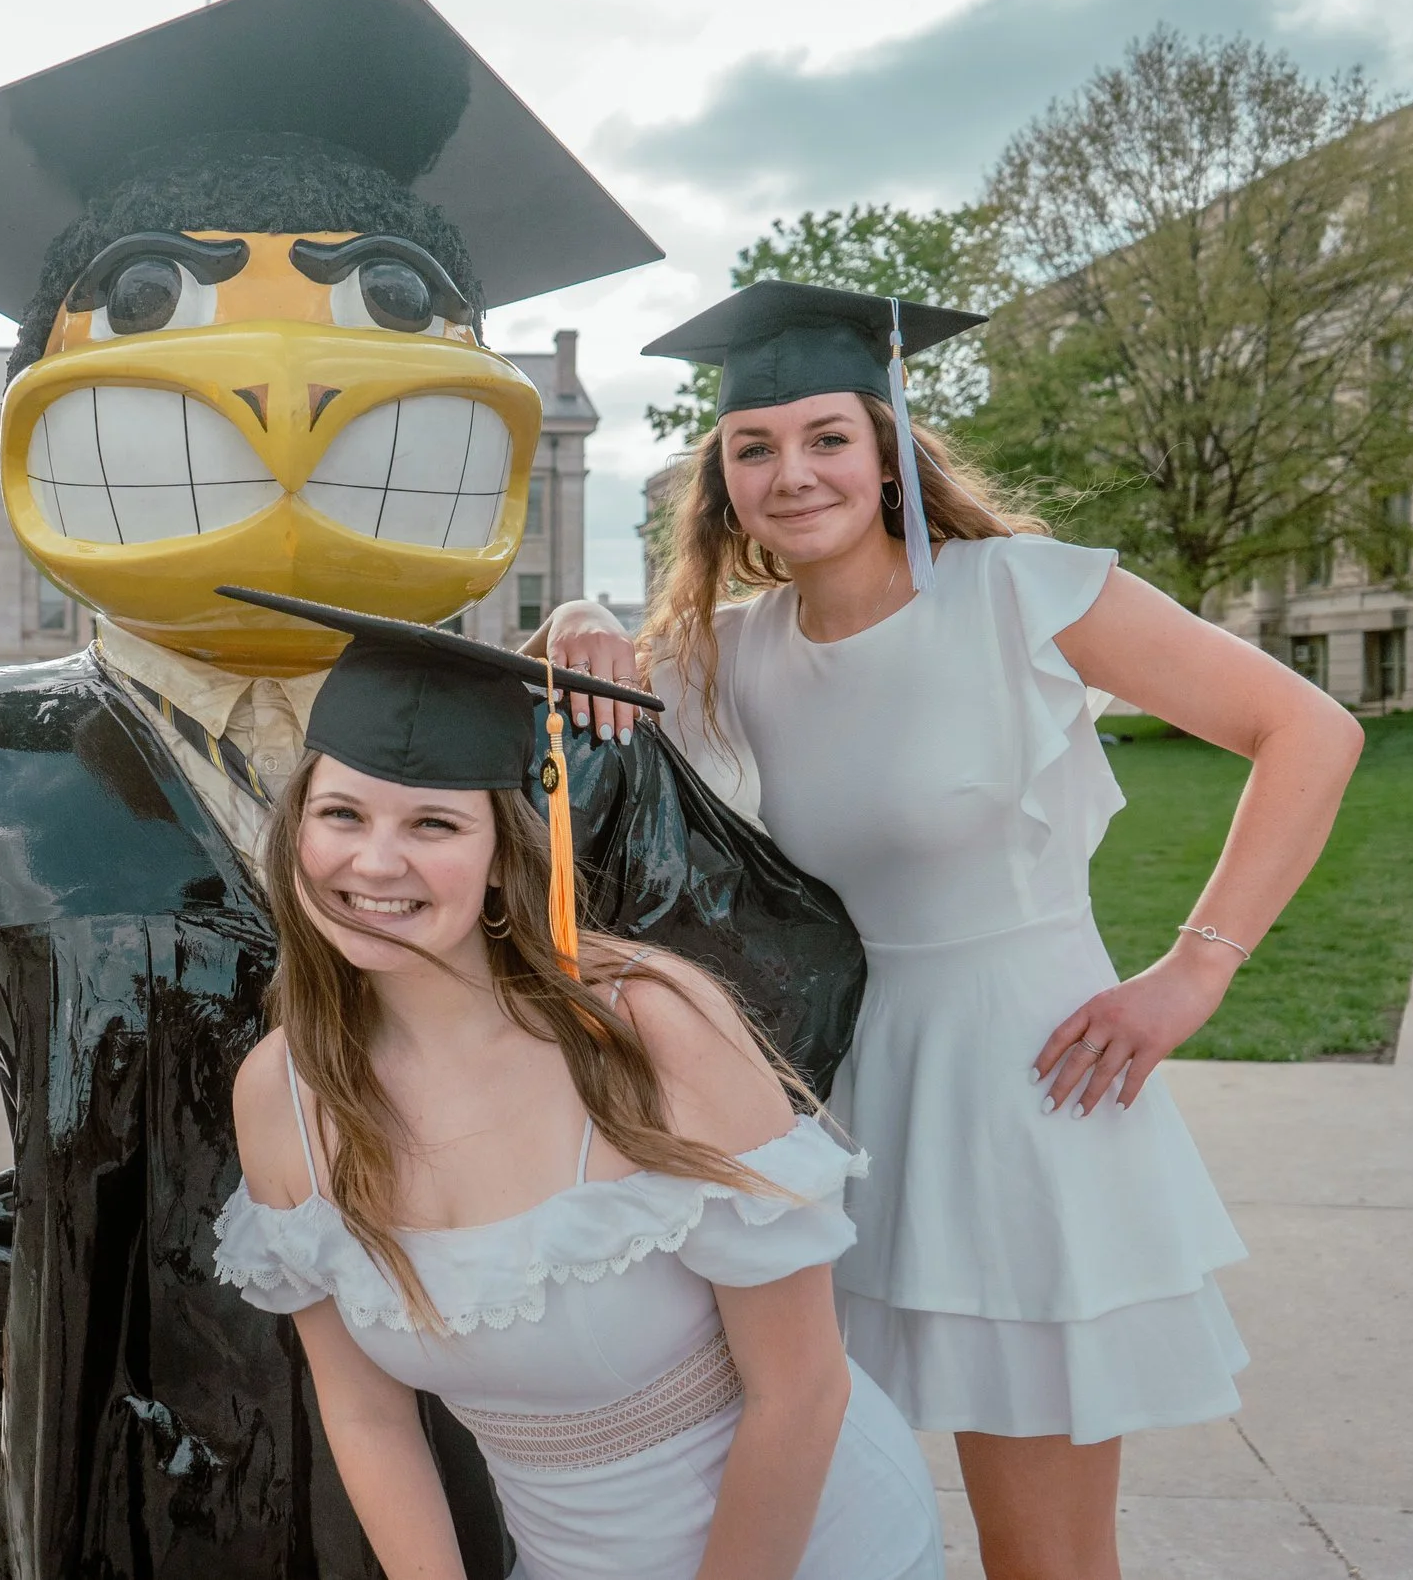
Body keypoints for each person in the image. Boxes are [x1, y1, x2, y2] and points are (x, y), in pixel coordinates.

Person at [0, 0, 865, 1579]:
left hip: (480, 1427)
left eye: (384, 311)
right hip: (124, 1434)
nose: (282, 398)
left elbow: (780, 976)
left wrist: (607, 1216)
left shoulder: (549, 754)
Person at [535, 279, 1364, 1580]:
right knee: (815, 1494)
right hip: (841, 1095)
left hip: (1029, 1093)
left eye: (825, 438)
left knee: (1040, 1550)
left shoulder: (1022, 592)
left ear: (884, 452)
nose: (791, 471)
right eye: (754, 446)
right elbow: (598, 709)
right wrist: (581, 618)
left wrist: (1193, 972)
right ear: (723, 482)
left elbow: (1312, 730)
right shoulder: (733, 649)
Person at [212, 591, 944, 1580]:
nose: (373, 861)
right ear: (297, 827)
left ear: (504, 857)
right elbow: (367, 1413)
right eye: (340, 812)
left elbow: (800, 1389)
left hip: (803, 1539)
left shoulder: (650, 1030)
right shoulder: (284, 1098)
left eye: (433, 822)